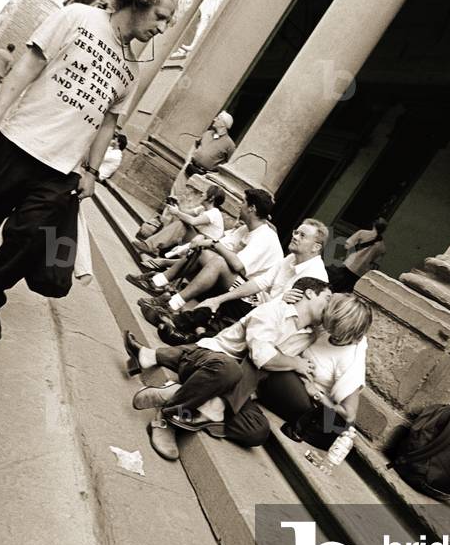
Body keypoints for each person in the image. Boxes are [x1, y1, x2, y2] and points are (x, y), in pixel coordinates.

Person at [0, 0, 178, 342]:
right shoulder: (77, 16)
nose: (162, 28)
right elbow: (28, 66)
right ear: (140, 2)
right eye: (161, 17)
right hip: (19, 141)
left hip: (63, 169)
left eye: (168, 22)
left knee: (29, 239)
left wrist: (91, 172)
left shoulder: (133, 70)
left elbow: (107, 124)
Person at [121, 277, 333, 460]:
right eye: (327, 298)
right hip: (212, 363)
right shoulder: (274, 310)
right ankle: (171, 417)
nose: (330, 305)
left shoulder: (311, 335)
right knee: (236, 367)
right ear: (309, 294)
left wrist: (310, 385)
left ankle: (183, 396)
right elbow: (262, 357)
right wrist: (294, 362)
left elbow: (343, 329)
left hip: (235, 388)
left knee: (257, 431)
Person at [155, 219, 329, 345]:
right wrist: (221, 299)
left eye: (302, 235)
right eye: (296, 232)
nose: (296, 236)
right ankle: (185, 323)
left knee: (229, 301)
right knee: (223, 295)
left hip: (274, 322)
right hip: (263, 304)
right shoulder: (291, 258)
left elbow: (290, 314)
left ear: (315, 247)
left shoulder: (316, 276)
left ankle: (184, 328)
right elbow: (261, 282)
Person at [128, 188, 281, 316]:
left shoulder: (265, 237)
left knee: (217, 261)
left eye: (243, 202)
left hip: (251, 296)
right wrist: (205, 244)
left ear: (251, 208)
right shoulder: (245, 229)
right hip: (236, 281)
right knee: (204, 251)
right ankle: (158, 283)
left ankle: (172, 304)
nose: (239, 206)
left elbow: (237, 265)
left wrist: (212, 243)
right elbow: (221, 247)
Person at [257, 293, 372, 449]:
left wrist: (316, 394)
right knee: (269, 358)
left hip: (309, 403)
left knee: (272, 369)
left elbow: (349, 414)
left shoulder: (350, 359)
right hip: (293, 378)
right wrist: (284, 299)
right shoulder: (324, 330)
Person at [142, 111, 235, 231]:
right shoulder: (207, 133)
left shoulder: (230, 145)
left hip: (202, 175)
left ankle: (170, 227)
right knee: (175, 195)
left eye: (218, 118)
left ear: (223, 124)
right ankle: (162, 222)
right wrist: (188, 158)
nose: (214, 119)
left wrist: (212, 173)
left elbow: (227, 164)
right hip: (189, 167)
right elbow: (195, 145)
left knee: (188, 201)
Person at [132, 184, 226, 256]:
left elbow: (193, 221)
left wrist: (177, 212)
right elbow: (185, 212)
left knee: (181, 224)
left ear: (211, 198)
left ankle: (151, 246)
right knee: (181, 221)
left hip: (205, 245)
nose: (202, 194)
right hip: (197, 238)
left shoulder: (214, 213)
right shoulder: (203, 208)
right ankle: (157, 246)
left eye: (206, 193)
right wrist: (176, 204)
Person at [329, 217, 387, 292]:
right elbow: (375, 264)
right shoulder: (382, 247)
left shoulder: (362, 233)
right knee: (346, 290)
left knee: (334, 285)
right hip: (360, 272)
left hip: (349, 264)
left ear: (374, 224)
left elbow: (347, 246)